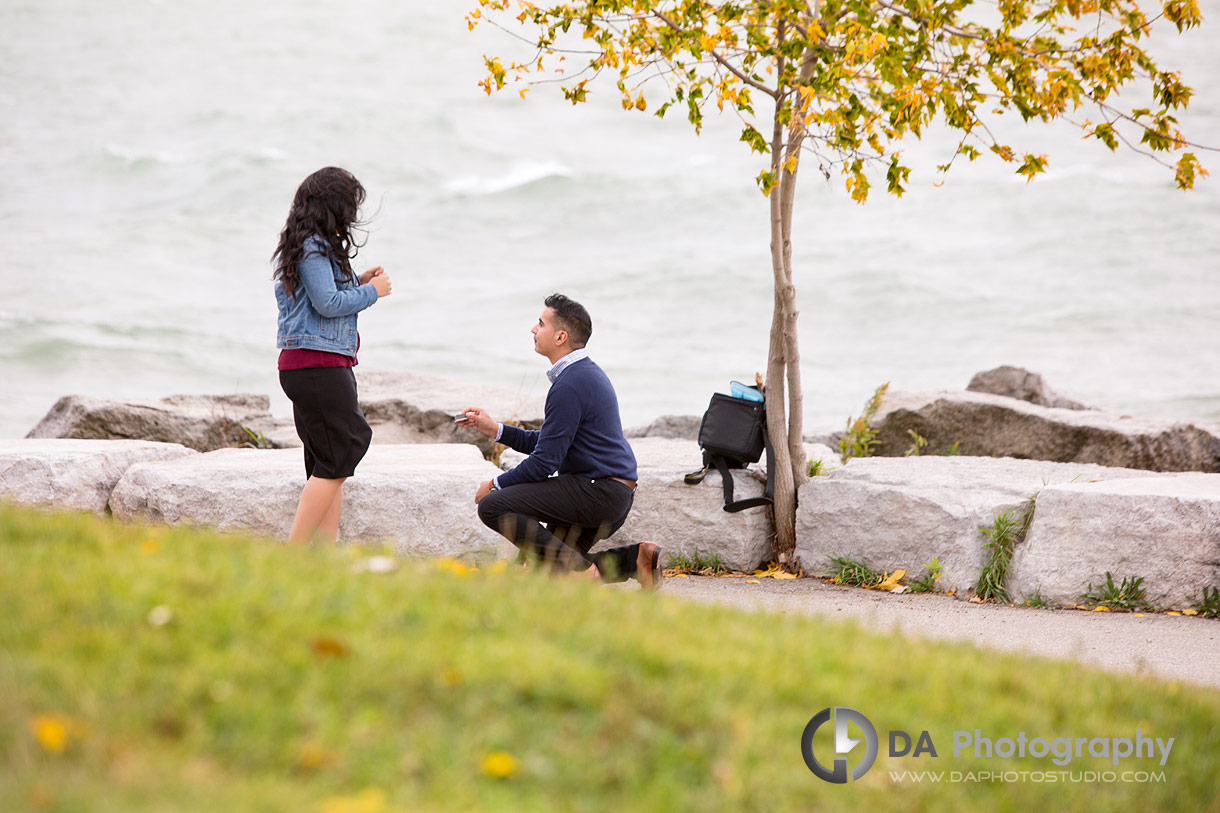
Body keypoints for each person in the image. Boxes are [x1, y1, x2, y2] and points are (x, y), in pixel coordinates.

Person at [459, 294, 662, 588]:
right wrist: (496, 430)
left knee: (493, 506)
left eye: (540, 323)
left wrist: (494, 485)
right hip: (610, 492)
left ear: (561, 336)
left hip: (596, 493)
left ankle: (585, 572)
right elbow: (551, 442)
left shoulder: (570, 384)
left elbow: (545, 462)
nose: (533, 329)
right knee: (552, 574)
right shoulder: (583, 375)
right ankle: (637, 558)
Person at [272, 167, 391, 545]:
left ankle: (322, 559)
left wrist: (359, 280)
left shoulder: (310, 245)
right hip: (316, 365)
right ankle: (293, 555)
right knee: (349, 445)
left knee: (329, 462)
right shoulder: (312, 246)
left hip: (317, 364)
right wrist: (374, 293)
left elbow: (323, 295)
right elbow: (327, 303)